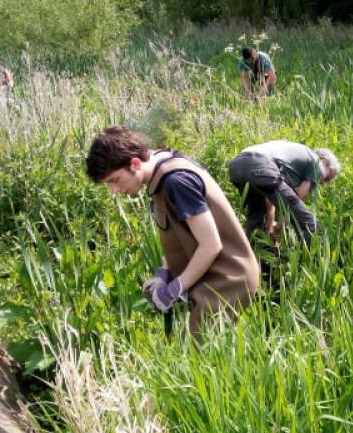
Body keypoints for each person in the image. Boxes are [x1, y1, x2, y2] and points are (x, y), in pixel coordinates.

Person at [86, 126, 259, 342]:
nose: (115, 190)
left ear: (135, 163)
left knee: (196, 359)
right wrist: (164, 273)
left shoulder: (176, 181)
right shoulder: (160, 173)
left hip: (228, 281)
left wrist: (175, 289)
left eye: (114, 180)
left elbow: (211, 244)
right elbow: (180, 237)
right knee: (191, 355)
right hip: (211, 279)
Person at [228, 141, 340, 249]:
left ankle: (258, 260)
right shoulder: (317, 164)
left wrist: (269, 230)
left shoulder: (294, 158)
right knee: (309, 223)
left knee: (256, 218)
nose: (323, 183)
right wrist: (275, 232)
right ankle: (314, 265)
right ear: (324, 161)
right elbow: (293, 206)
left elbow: (270, 197)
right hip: (262, 166)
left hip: (237, 165)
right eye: (327, 177)